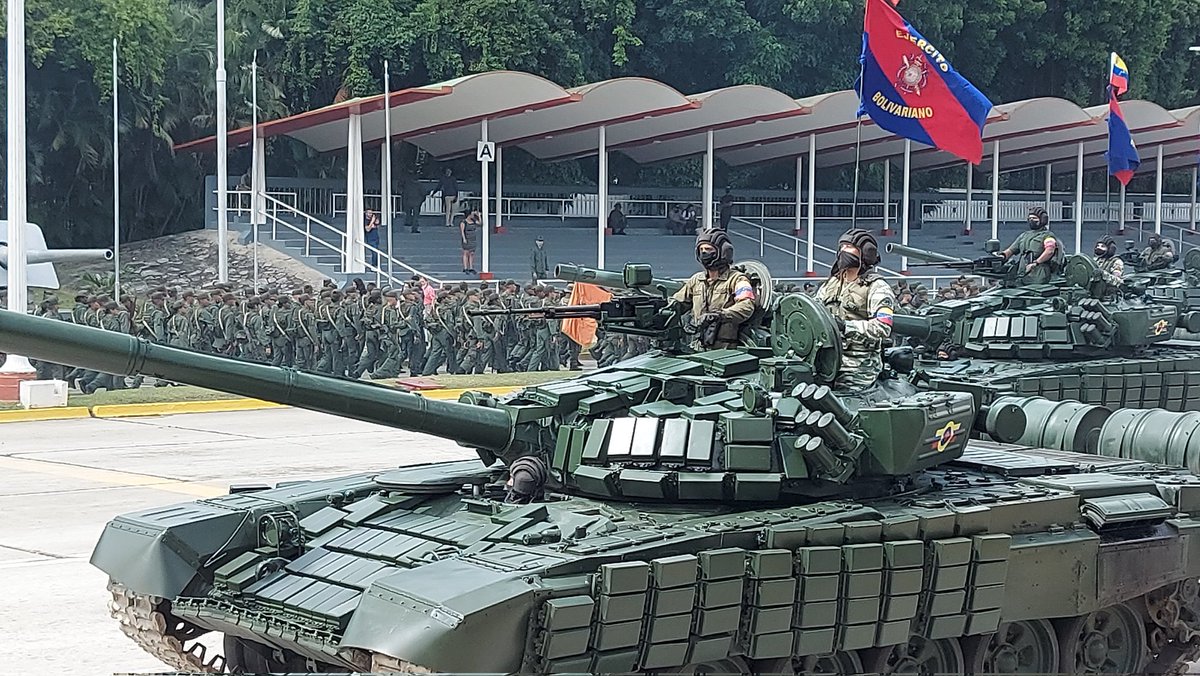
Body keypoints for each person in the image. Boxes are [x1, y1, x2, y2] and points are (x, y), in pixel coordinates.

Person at [815, 228, 896, 392]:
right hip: (827, 361)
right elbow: (815, 311)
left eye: (849, 247)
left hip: (858, 367)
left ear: (865, 253)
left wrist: (846, 326)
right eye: (842, 247)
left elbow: (883, 326)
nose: (843, 251)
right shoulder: (832, 284)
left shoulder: (877, 287)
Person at [668, 227, 757, 350]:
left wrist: (720, 315)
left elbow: (746, 306)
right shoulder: (696, 281)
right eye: (701, 249)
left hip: (725, 351)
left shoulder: (737, 280)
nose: (704, 253)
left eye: (709, 249)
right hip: (697, 348)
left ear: (723, 252)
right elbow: (678, 303)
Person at [998, 207, 1062, 284]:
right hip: (1022, 274)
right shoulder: (1024, 236)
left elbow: (1050, 251)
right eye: (1030, 218)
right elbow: (1011, 250)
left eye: (1034, 218)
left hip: (1039, 275)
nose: (1031, 220)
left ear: (1042, 219)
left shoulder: (1048, 236)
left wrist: (1036, 262)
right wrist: (1002, 256)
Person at [459, 207, 480, 274]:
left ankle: (471, 267)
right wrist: (464, 239)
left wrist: (479, 216)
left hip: (473, 238)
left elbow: (480, 223)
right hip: (467, 238)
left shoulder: (473, 221)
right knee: (466, 253)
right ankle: (465, 267)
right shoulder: (463, 222)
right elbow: (462, 231)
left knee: (471, 253)